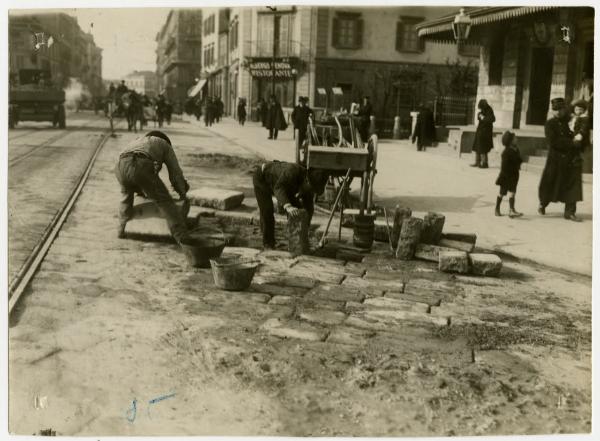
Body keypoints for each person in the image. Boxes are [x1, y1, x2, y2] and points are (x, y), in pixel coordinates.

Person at [114, 131, 192, 243]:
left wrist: (142, 190)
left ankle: (121, 230)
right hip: (139, 165)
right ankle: (183, 238)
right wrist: (182, 192)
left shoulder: (138, 141)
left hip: (120, 167)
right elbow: (175, 173)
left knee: (126, 198)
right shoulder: (164, 145)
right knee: (166, 202)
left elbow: (139, 169)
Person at [252, 161, 328, 249]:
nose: (311, 191)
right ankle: (268, 243)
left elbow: (308, 208)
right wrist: (288, 206)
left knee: (298, 211)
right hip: (262, 178)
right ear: (307, 181)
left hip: (282, 184)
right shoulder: (292, 171)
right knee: (267, 211)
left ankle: (296, 243)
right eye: (311, 188)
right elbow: (279, 188)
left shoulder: (309, 188)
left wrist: (304, 228)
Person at [538, 97, 583, 222]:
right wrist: (571, 143)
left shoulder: (570, 121)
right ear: (552, 111)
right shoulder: (550, 124)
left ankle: (570, 212)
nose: (558, 112)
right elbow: (553, 141)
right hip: (555, 160)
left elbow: (579, 132)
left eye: (560, 109)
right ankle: (543, 203)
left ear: (565, 109)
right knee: (550, 184)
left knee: (572, 184)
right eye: (555, 109)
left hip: (570, 159)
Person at [494, 131, 523, 218]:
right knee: (502, 193)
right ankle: (497, 208)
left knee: (513, 192)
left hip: (514, 175)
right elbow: (504, 166)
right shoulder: (506, 152)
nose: (516, 139)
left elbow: (518, 159)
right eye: (515, 138)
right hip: (506, 176)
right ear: (510, 141)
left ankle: (511, 210)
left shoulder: (516, 149)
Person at [471, 99, 495, 168]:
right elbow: (479, 117)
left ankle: (485, 163)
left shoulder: (489, 110)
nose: (481, 109)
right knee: (477, 147)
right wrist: (479, 115)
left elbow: (492, 119)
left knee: (483, 148)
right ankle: (477, 162)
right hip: (480, 131)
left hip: (485, 133)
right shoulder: (483, 110)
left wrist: (483, 118)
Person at [570, 99, 592, 173]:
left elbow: (584, 128)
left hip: (581, 139)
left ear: (583, 110)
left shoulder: (584, 118)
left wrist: (580, 134)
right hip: (574, 137)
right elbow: (572, 127)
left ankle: (581, 168)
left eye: (580, 109)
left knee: (580, 153)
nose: (578, 111)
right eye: (576, 109)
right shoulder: (575, 117)